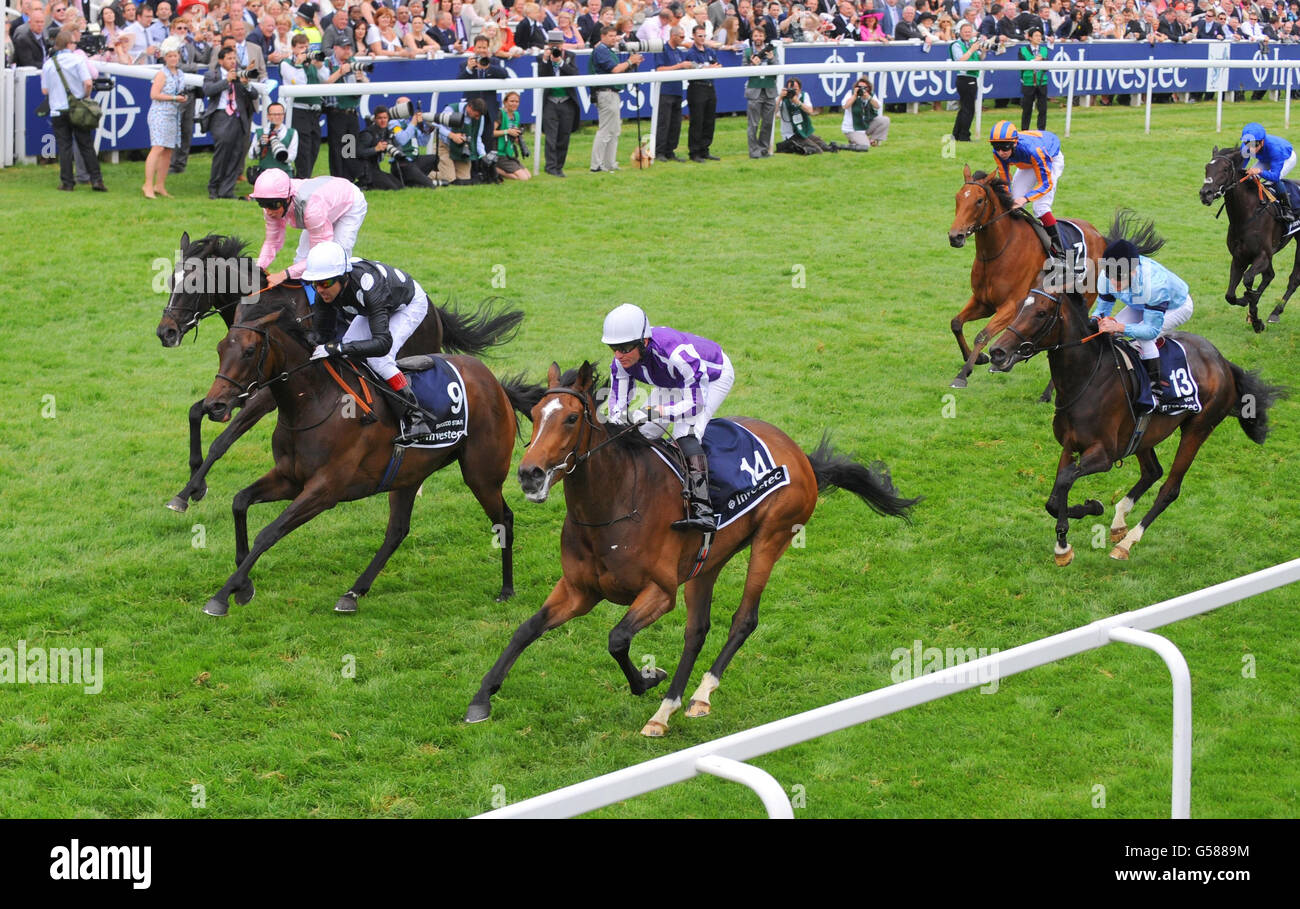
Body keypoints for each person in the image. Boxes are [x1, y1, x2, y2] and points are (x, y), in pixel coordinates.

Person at [602, 303, 735, 532]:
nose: (618, 355)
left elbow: (695, 404)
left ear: (643, 342)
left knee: (684, 432)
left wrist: (661, 412)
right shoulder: (621, 362)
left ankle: (704, 510)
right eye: (613, 347)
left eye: (624, 348)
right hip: (670, 380)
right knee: (640, 431)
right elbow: (618, 407)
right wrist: (615, 428)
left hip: (711, 378)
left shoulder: (676, 354)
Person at [301, 242, 436, 446]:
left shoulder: (369, 286)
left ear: (342, 278)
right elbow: (322, 336)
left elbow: (382, 343)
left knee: (379, 360)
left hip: (407, 304)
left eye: (325, 283)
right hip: (371, 307)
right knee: (347, 347)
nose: (320, 290)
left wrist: (337, 348)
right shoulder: (325, 292)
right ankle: (360, 404)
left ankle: (416, 418)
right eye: (315, 284)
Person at [1092, 239, 1194, 406]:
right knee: (1107, 332)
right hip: (1139, 302)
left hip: (1176, 307)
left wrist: (1118, 327)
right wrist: (1095, 322)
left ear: (1132, 272)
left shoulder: (1155, 285)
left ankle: (1156, 390)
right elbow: (1101, 311)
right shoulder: (1106, 276)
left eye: (1118, 280)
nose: (1113, 284)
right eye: (1111, 278)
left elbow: (1150, 330)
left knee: (1143, 338)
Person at [250, 171, 369, 284]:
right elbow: (272, 241)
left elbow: (321, 254)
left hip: (349, 204)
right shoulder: (274, 203)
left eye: (273, 205)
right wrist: (259, 267)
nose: (269, 211)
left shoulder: (311, 209)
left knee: (333, 261)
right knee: (300, 259)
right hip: (324, 205)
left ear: (287, 198)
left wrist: (284, 274)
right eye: (262, 204)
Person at [40, 26, 106, 192]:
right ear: (69, 44)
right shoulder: (78, 60)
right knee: (85, 144)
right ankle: (96, 180)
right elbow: (88, 82)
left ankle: (67, 182)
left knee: (64, 146)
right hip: (77, 107)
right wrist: (85, 95)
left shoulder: (48, 64)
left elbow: (45, 90)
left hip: (58, 109)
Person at [989, 120, 1065, 258]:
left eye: (1005, 147)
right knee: (1011, 202)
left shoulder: (1035, 150)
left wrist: (1025, 198)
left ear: (1014, 143)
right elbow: (1005, 179)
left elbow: (1045, 184)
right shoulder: (998, 153)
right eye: (996, 146)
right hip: (1027, 163)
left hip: (1050, 159)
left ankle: (1060, 250)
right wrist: (1010, 198)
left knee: (1040, 207)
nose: (1001, 152)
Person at [203, 45, 257, 199]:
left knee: (237, 154)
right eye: (229, 58)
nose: (233, 61)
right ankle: (213, 188)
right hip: (221, 116)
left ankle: (227, 190)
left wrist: (246, 83)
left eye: (234, 58)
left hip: (239, 117)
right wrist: (226, 81)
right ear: (221, 61)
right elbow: (208, 90)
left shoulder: (240, 74)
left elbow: (253, 94)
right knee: (222, 153)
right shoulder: (212, 74)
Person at [589, 25, 643, 173]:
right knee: (606, 130)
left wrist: (631, 64)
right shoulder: (601, 50)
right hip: (606, 93)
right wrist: (630, 62)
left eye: (615, 36)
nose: (614, 39)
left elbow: (619, 69)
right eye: (611, 36)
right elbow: (614, 70)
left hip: (612, 93)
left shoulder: (607, 50)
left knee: (614, 130)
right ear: (603, 36)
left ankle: (609, 163)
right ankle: (596, 165)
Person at [144, 36, 188, 198]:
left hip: (173, 114)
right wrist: (174, 98)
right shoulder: (162, 74)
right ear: (165, 57)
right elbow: (154, 94)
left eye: (175, 55)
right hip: (159, 113)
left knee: (168, 151)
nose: (173, 59)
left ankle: (160, 185)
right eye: (170, 56)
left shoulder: (180, 73)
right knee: (157, 148)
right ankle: (147, 184)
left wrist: (182, 98)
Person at [280, 33, 326, 179]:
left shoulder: (311, 64)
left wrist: (320, 66)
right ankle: (302, 178)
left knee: (314, 146)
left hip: (313, 110)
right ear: (293, 48)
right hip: (298, 109)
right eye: (301, 47)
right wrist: (300, 64)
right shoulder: (286, 64)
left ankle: (305, 177)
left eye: (306, 47)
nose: (304, 51)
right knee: (303, 148)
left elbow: (326, 79)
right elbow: (300, 83)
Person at [322, 40, 368, 180]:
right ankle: (337, 178)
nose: (347, 51)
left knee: (350, 146)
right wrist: (341, 72)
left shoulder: (354, 61)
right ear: (335, 48)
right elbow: (325, 83)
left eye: (349, 48)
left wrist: (362, 78)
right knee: (336, 148)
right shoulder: (327, 63)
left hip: (351, 111)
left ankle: (350, 177)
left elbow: (367, 84)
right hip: (336, 112)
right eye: (344, 48)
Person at [538, 29, 580, 176]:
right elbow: (541, 76)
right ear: (548, 45)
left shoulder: (570, 56)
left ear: (563, 44)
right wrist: (545, 59)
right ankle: (550, 167)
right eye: (553, 45)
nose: (556, 48)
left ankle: (559, 167)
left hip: (567, 102)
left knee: (564, 136)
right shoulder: (542, 57)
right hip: (550, 101)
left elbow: (575, 74)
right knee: (551, 137)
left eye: (558, 45)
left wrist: (561, 62)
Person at [1240, 122, 1297, 223]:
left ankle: (1287, 210)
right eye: (1247, 144)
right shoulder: (1247, 146)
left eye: (1254, 145)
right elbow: (1241, 166)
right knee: (1249, 176)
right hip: (1266, 157)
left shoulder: (1276, 150)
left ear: (1262, 142)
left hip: (1286, 157)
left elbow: (1275, 176)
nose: (1251, 148)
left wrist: (1260, 171)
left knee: (1273, 181)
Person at [684, 24, 721, 162]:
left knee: (709, 120)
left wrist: (710, 67)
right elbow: (693, 68)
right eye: (699, 36)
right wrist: (708, 67)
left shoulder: (709, 51)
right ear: (693, 36)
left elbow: (718, 65)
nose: (702, 38)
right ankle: (694, 152)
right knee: (697, 121)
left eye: (704, 36)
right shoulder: (691, 53)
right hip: (697, 87)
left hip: (710, 87)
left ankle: (705, 149)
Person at [654, 26, 691, 161]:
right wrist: (679, 66)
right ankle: (659, 151)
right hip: (665, 91)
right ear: (673, 36)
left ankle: (670, 151)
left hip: (677, 91)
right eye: (681, 37)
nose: (683, 39)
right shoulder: (663, 49)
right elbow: (659, 69)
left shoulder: (679, 52)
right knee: (664, 122)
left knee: (676, 123)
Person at [434, 96, 489, 185]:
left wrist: (483, 155)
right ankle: (425, 174)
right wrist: (451, 135)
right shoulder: (451, 109)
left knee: (464, 181)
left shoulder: (480, 117)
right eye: (476, 115)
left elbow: (477, 137)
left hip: (463, 150)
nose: (477, 118)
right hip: (445, 146)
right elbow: (435, 125)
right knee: (450, 180)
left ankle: (446, 170)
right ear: (470, 107)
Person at [743, 25, 777, 158]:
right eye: (756, 35)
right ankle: (753, 151)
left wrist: (771, 59)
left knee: (768, 123)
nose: (758, 38)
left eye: (761, 35)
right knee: (753, 123)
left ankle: (763, 149)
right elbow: (743, 70)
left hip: (769, 90)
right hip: (754, 91)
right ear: (752, 37)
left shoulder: (772, 51)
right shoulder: (747, 52)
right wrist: (753, 65)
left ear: (764, 37)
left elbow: (778, 67)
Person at [777, 77, 834, 153]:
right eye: (790, 89)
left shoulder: (804, 95)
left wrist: (798, 102)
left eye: (795, 89)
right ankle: (787, 146)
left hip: (803, 131)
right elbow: (773, 113)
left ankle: (794, 146)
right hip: (791, 134)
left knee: (825, 147)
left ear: (800, 89)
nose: (792, 91)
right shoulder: (783, 99)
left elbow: (810, 111)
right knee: (817, 150)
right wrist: (780, 98)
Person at [246, 100, 298, 184]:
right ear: (268, 116)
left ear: (284, 116)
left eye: (280, 114)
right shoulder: (260, 132)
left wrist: (278, 148)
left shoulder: (292, 133)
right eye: (274, 114)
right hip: (265, 174)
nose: (277, 117)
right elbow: (251, 155)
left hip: (284, 174)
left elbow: (292, 156)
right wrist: (260, 144)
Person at [950, 19, 982, 141]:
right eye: (965, 32)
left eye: (969, 31)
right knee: (969, 109)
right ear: (960, 33)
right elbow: (960, 60)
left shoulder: (971, 44)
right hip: (964, 78)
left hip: (972, 77)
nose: (968, 34)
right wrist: (972, 50)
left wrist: (983, 51)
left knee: (965, 108)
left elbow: (980, 58)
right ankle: (964, 136)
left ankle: (956, 134)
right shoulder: (957, 45)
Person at [489, 91, 532, 181]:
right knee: (523, 178)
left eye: (517, 101)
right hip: (499, 153)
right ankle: (493, 169)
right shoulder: (500, 113)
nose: (514, 104)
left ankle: (497, 169)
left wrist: (518, 139)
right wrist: (507, 131)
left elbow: (513, 134)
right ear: (505, 102)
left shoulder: (516, 115)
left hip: (509, 153)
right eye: (512, 101)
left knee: (528, 175)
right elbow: (491, 133)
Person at [840, 76, 889, 150]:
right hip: (852, 129)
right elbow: (845, 106)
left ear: (868, 88)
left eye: (864, 88)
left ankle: (872, 139)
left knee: (884, 120)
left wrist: (869, 98)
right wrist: (855, 96)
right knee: (865, 146)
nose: (861, 89)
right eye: (859, 87)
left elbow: (878, 106)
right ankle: (852, 143)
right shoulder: (850, 93)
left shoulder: (870, 94)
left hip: (864, 125)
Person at [1019, 25, 1049, 131]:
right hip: (1028, 82)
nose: (1038, 38)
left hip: (1042, 82)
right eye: (1036, 36)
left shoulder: (1044, 49)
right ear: (1030, 37)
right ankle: (1024, 130)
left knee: (1043, 109)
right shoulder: (1022, 50)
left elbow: (1046, 63)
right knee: (1026, 109)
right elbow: (1023, 64)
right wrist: (1036, 60)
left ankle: (1041, 130)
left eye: (1040, 36)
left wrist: (1037, 60)